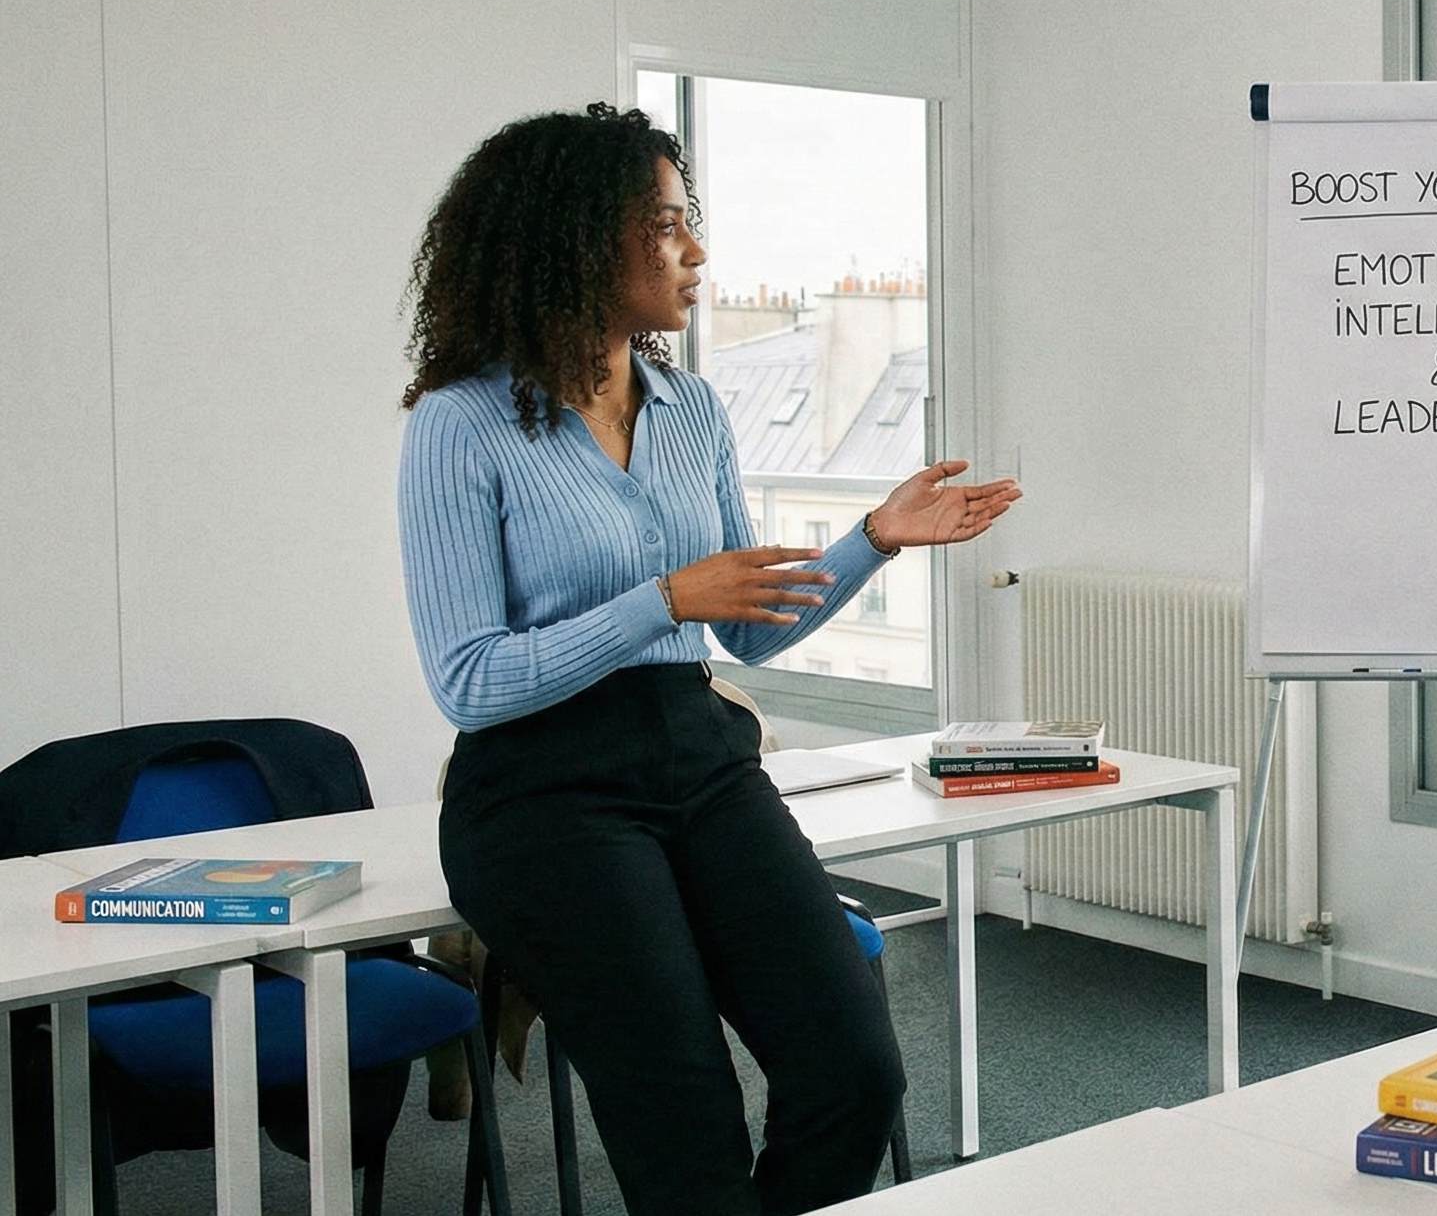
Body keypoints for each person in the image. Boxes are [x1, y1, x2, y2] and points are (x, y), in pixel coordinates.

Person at [395, 102, 1020, 1214]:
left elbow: (744, 629)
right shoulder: (462, 423)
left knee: (853, 1072)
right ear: (577, 238)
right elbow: (471, 680)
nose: (696, 252)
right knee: (683, 1120)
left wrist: (873, 539)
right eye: (668, 225)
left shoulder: (693, 410)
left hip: (700, 757)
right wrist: (661, 599)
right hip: (541, 792)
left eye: (690, 221)